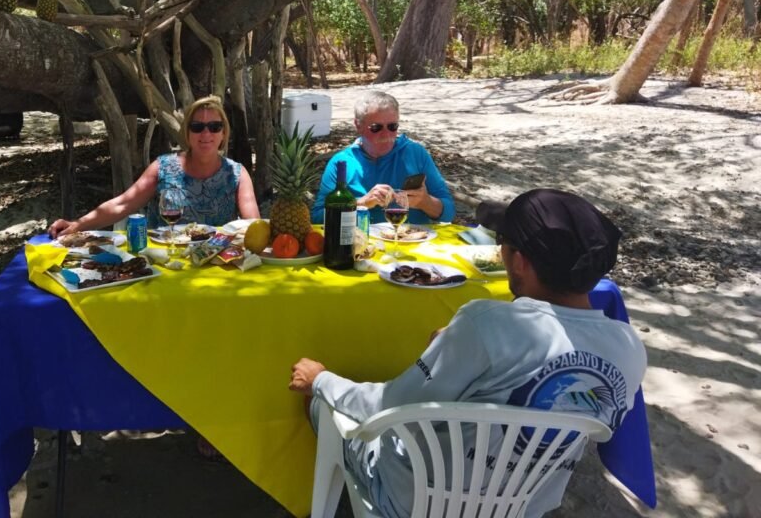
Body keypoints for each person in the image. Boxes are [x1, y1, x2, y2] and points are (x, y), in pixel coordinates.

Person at [290, 189, 647, 518]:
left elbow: (389, 405)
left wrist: (322, 379)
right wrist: (454, 349)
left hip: (417, 501)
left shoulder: (487, 322)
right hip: (522, 503)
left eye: (501, 241)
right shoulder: (629, 348)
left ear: (519, 260)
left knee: (320, 402)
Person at [49, 96, 259, 237]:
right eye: (197, 127)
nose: (206, 134)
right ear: (187, 133)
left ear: (223, 133)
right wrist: (77, 225)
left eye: (214, 127)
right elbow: (122, 204)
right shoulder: (164, 167)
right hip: (163, 265)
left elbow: (254, 225)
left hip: (216, 265)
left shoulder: (236, 174)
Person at [310, 90, 454, 225]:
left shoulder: (415, 153)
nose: (386, 135)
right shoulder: (342, 163)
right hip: (360, 245)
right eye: (376, 127)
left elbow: (449, 212)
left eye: (392, 126)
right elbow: (317, 217)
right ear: (358, 125)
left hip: (410, 243)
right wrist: (360, 204)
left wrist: (425, 202)